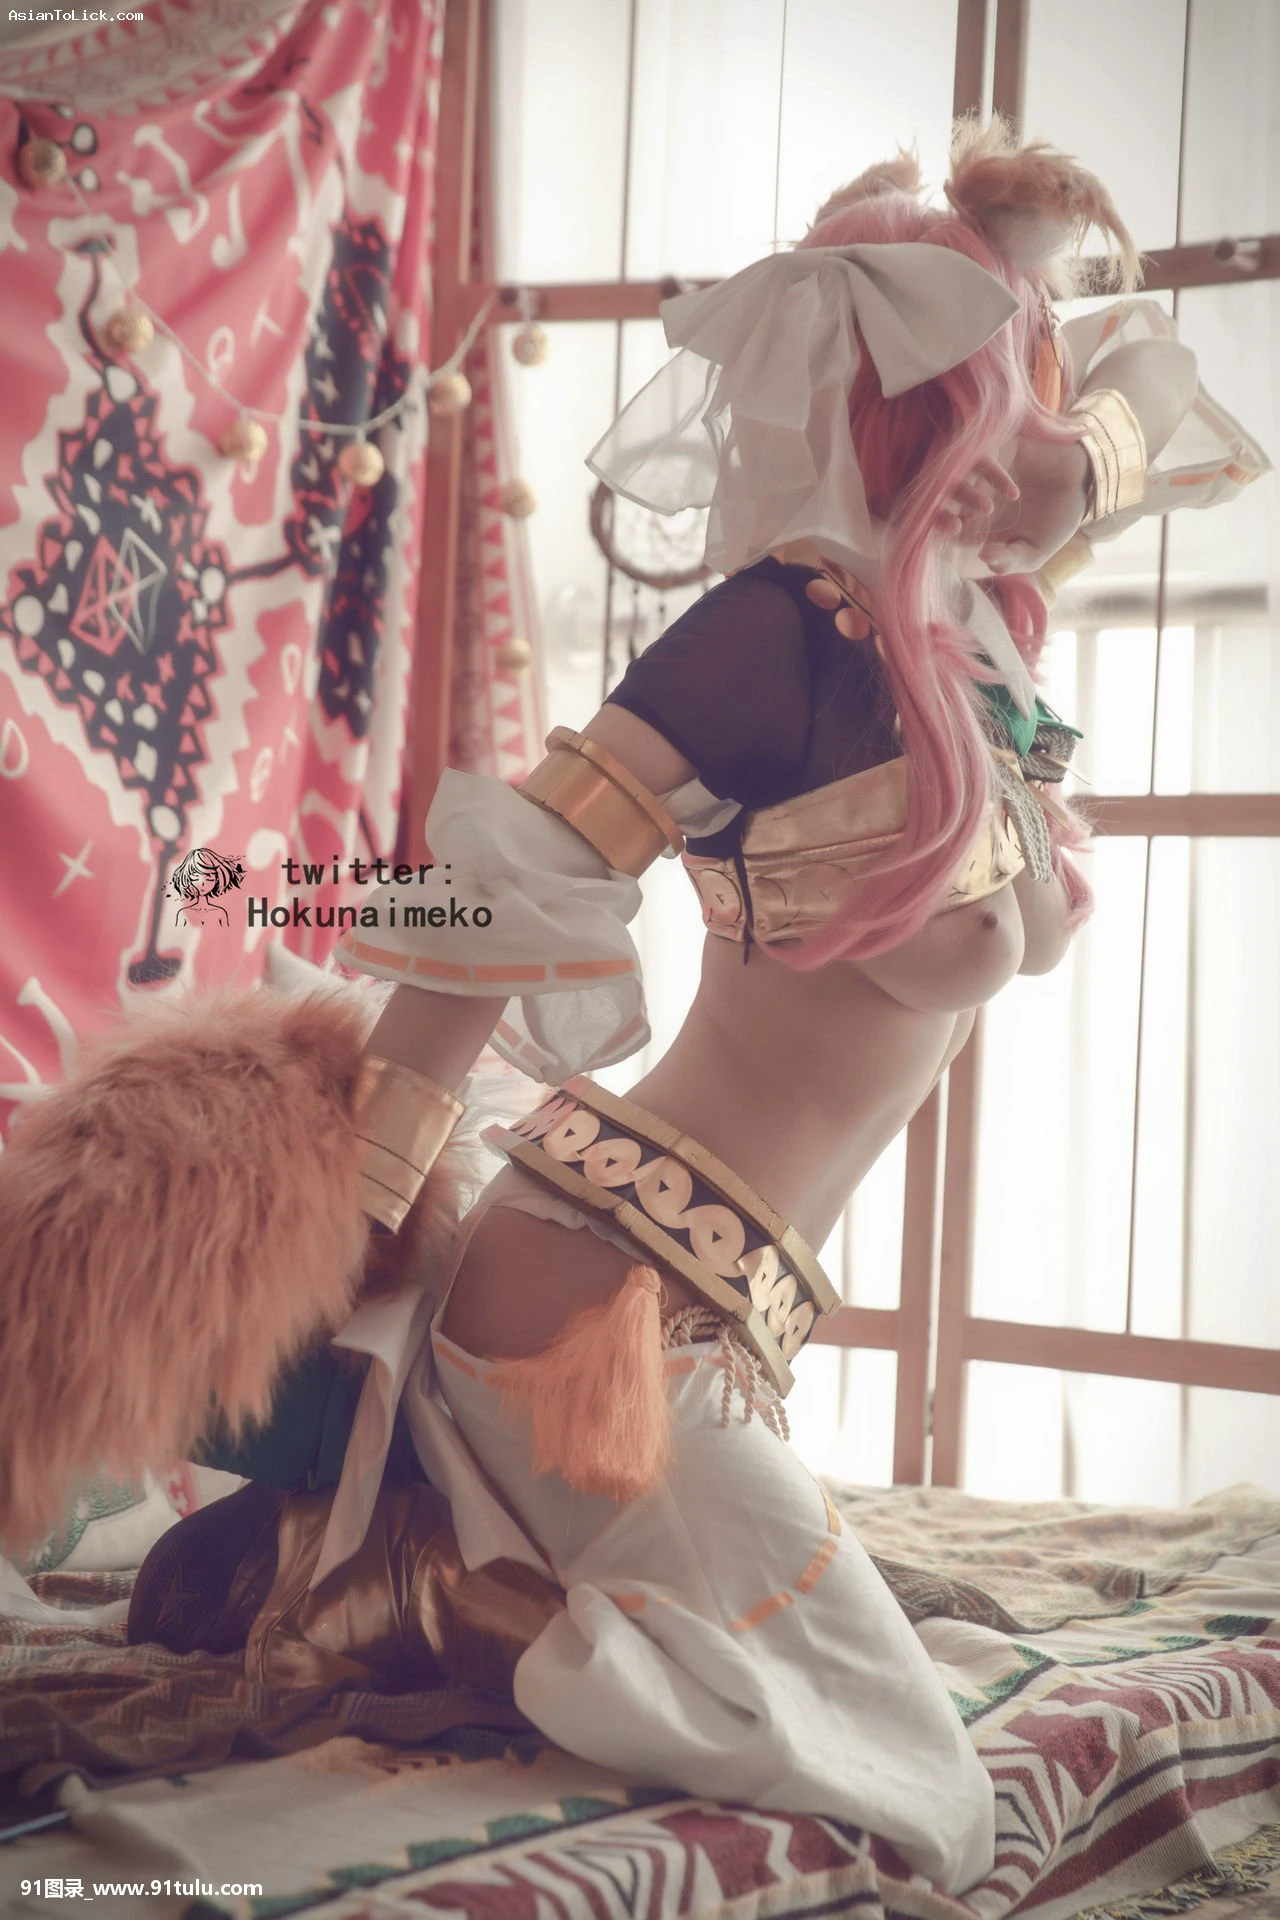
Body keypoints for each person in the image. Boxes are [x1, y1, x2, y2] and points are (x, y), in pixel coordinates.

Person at [0, 121, 1267, 1896]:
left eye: (1034, 398)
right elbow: (505, 892)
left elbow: (1165, 394)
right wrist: (364, 1198)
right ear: (909, 414)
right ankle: (401, 1587)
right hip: (596, 1301)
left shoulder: (970, 637)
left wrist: (1056, 393)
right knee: (913, 1783)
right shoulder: (778, 633)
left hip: (717, 1306)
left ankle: (457, 1558)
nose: (1042, 446)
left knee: (858, 1698)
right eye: (1000, 397)